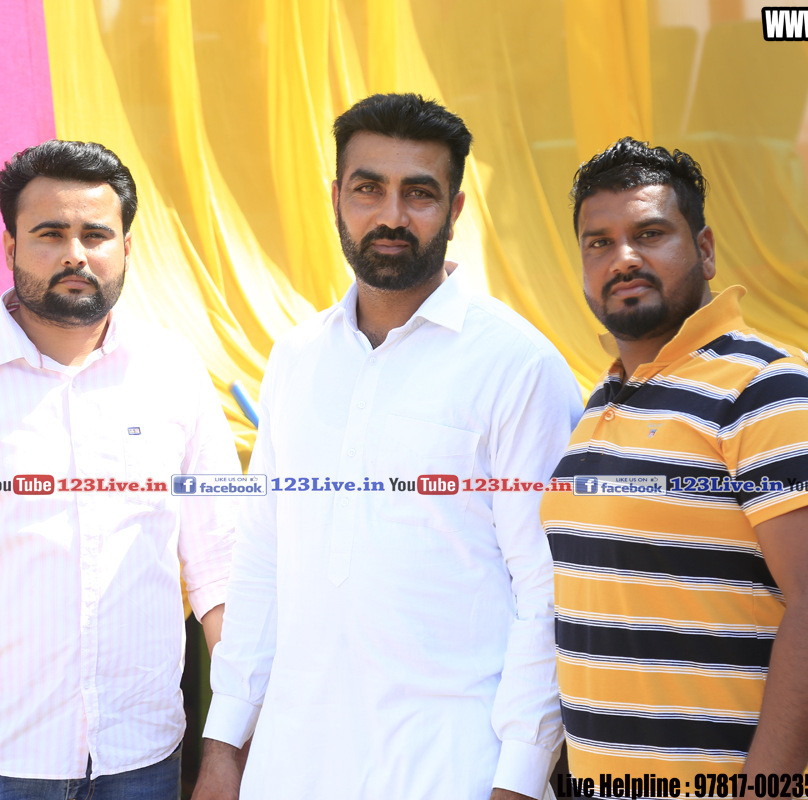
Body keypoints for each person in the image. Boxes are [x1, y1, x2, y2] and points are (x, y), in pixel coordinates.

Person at [194, 93, 584, 800]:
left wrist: (521, 780)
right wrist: (224, 745)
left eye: (419, 194)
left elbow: (549, 589)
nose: (393, 216)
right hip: (290, 767)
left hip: (452, 770)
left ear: (455, 210)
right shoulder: (295, 358)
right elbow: (262, 561)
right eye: (369, 189)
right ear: (336, 199)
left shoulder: (519, 366)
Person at [0, 140, 240, 800]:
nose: (74, 254)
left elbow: (222, 575)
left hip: (141, 761)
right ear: (10, 247)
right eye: (50, 234)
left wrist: (226, 754)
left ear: (127, 249)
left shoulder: (177, 374)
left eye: (95, 235)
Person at [543, 137, 808, 782]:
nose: (623, 258)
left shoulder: (770, 388)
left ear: (706, 250)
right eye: (598, 243)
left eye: (649, 233)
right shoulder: (603, 401)